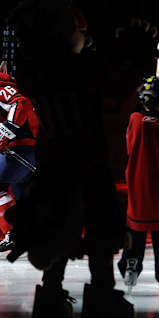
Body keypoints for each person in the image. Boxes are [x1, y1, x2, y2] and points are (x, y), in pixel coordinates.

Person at [6, 1, 134, 316]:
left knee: (58, 230)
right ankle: (101, 293)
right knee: (98, 233)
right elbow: (115, 90)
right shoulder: (75, 69)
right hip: (86, 164)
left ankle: (53, 293)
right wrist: (129, 49)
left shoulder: (36, 70)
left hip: (55, 167)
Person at [117, 76, 159, 294]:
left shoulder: (135, 120)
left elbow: (128, 147)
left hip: (138, 187)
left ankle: (130, 265)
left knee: (135, 233)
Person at [0, 60, 38, 252]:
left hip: (22, 151)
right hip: (28, 152)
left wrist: (3, 133)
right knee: (22, 197)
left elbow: (20, 104)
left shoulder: (2, 85)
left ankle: (12, 235)